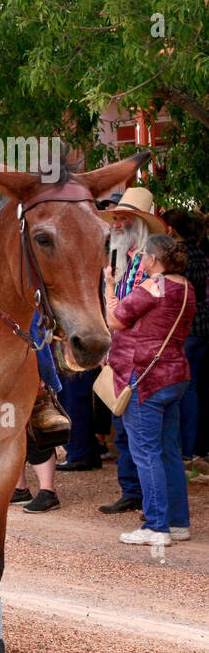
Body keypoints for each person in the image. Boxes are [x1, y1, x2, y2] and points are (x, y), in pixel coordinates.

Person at [104, 234, 195, 546]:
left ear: (154, 260)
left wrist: (108, 290)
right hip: (174, 374)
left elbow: (114, 320)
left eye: (144, 255)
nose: (141, 259)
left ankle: (156, 526)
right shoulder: (185, 286)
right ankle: (177, 522)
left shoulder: (153, 286)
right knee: (168, 450)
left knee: (146, 452)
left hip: (145, 376)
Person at [97, 190, 169, 513]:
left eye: (124, 218)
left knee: (141, 438)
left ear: (140, 224)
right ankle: (133, 492)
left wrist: (110, 291)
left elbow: (125, 314)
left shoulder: (147, 265)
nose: (118, 223)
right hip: (123, 356)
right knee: (126, 432)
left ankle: (149, 504)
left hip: (141, 360)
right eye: (117, 219)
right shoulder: (123, 259)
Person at [164, 210, 207, 462]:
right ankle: (193, 447)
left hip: (185, 329)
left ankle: (185, 449)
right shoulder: (199, 251)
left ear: (169, 229)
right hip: (201, 326)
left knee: (184, 390)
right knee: (195, 389)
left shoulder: (180, 256)